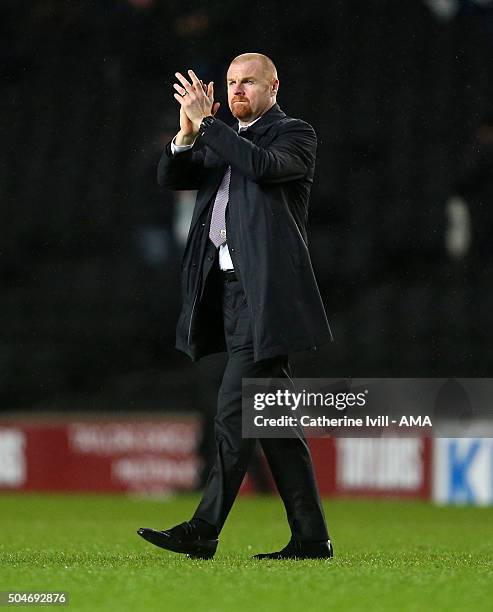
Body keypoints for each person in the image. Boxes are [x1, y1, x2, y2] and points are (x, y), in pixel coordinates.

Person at [137, 52, 334, 560]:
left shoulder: (294, 134)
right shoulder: (220, 137)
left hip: (265, 297)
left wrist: (208, 123)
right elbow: (171, 177)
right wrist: (186, 133)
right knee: (276, 426)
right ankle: (311, 538)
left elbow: (261, 168)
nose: (238, 89)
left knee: (235, 412)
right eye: (230, 82)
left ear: (273, 85)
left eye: (248, 81)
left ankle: (203, 529)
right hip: (227, 293)